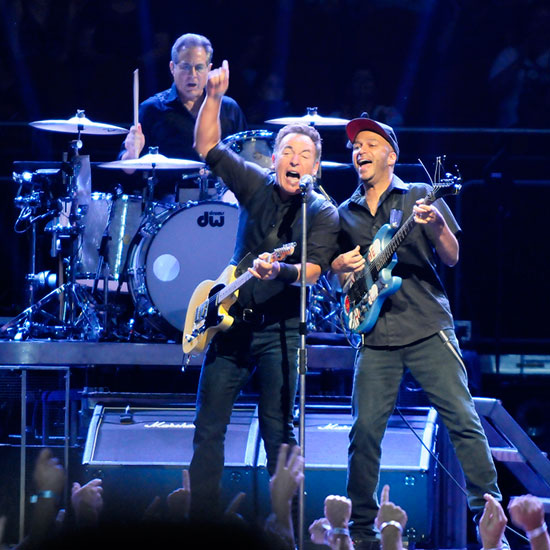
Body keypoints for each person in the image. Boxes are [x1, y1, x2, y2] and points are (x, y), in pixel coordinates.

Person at [330, 115, 502, 550]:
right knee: (363, 433)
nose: (360, 150)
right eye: (355, 146)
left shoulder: (420, 194)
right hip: (375, 334)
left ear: (391, 155)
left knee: (462, 419)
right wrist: (341, 269)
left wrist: (437, 225)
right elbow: (341, 276)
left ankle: (490, 522)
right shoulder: (344, 212)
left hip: (426, 326)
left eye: (370, 144)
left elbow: (452, 256)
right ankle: (361, 531)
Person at [189, 59, 339, 520]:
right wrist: (214, 97)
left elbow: (313, 271)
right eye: (286, 151)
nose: (294, 160)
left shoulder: (323, 212)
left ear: (316, 167)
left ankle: (284, 527)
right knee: (208, 429)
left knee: (279, 431)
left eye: (304, 155)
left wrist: (281, 273)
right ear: (272, 159)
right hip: (231, 326)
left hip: (282, 333)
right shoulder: (255, 185)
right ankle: (202, 521)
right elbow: (207, 146)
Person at [120, 33, 246, 199]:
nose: (192, 74)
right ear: (172, 68)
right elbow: (127, 171)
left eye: (199, 67)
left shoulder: (229, 109)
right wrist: (131, 153)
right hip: (168, 203)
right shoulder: (151, 109)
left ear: (209, 69)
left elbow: (246, 159)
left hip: (220, 201)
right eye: (185, 67)